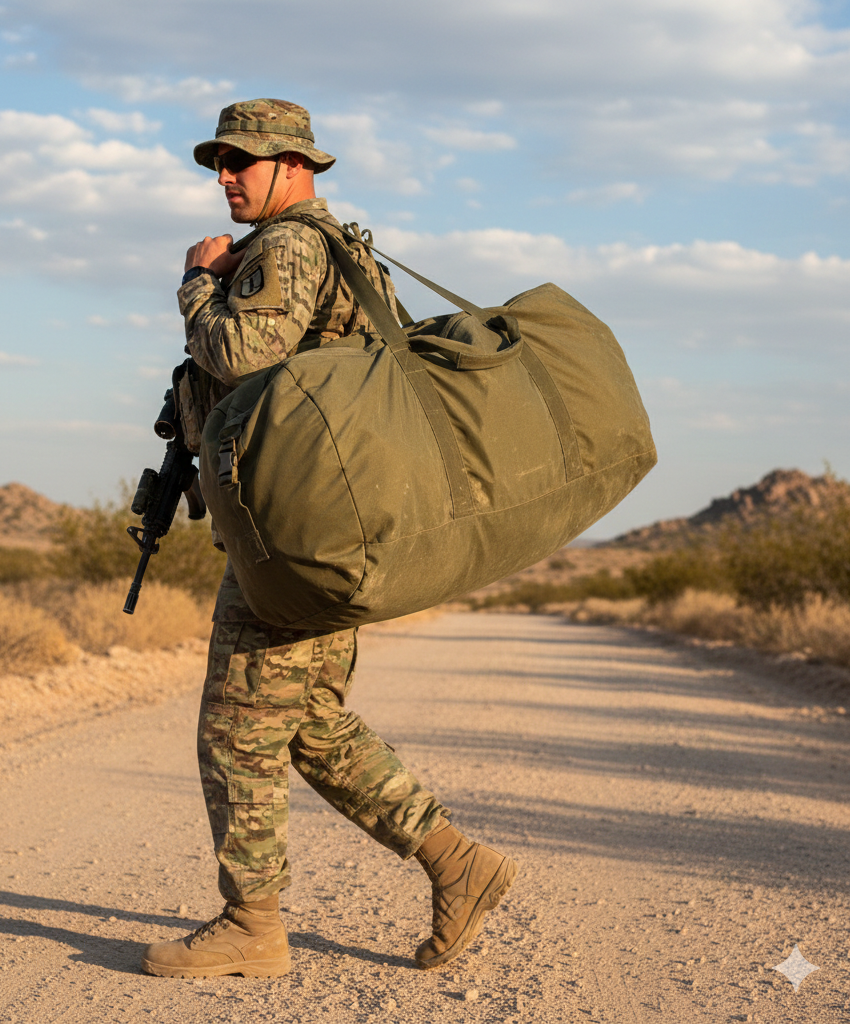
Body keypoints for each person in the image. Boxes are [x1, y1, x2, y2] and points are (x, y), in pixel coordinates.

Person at [141, 99, 517, 979]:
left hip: (298, 540)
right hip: (325, 531)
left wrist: (197, 281)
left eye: (244, 159)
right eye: (219, 161)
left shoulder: (291, 245)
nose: (226, 174)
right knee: (307, 720)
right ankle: (460, 864)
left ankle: (253, 926)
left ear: (297, 165)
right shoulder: (330, 245)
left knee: (237, 725)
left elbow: (240, 354)